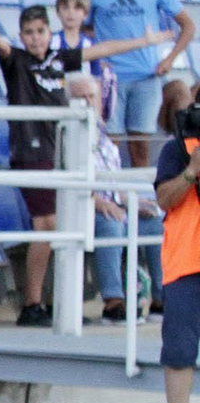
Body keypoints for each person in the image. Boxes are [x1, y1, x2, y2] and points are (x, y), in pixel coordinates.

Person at [0, 2, 169, 326]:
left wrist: (144, 43)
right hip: (31, 156)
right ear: (22, 35)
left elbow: (104, 48)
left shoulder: (59, 60)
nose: (35, 39)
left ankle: (52, 305)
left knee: (60, 228)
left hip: (59, 155)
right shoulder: (17, 61)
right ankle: (32, 304)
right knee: (46, 226)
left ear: (50, 33)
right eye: (28, 33)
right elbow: (0, 46)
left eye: (40, 32)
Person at [85, 0, 197, 166]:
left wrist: (169, 60)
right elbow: (80, 28)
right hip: (110, 79)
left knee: (141, 148)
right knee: (109, 147)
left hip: (147, 77)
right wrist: (96, 54)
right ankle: (111, 200)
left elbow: (188, 25)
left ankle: (143, 201)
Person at [70, 75, 164, 325]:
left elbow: (112, 185)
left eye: (91, 96)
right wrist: (103, 204)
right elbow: (71, 182)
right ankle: (114, 302)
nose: (87, 102)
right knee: (111, 223)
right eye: (80, 97)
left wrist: (131, 201)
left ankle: (162, 299)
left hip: (113, 205)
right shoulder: (65, 134)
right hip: (82, 207)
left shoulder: (104, 135)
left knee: (156, 221)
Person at [153, 100, 200, 403]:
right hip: (185, 262)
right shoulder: (176, 149)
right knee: (179, 351)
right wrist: (191, 171)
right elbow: (163, 199)